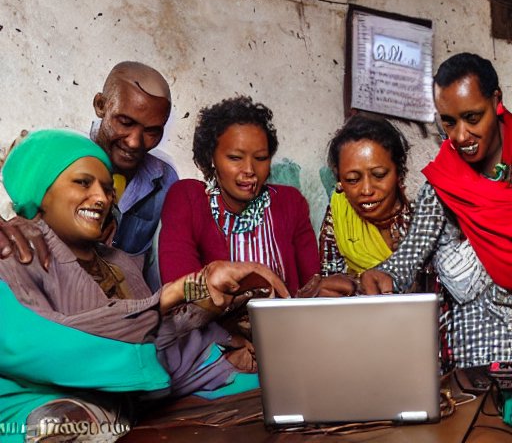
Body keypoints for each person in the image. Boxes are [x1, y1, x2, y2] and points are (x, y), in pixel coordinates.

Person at [0, 129, 288, 442]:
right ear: (39, 190)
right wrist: (178, 293)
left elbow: (162, 318)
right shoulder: (15, 251)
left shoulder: (119, 262)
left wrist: (211, 294)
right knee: (61, 425)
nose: (101, 197)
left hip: (147, 389)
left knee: (278, 389)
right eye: (83, 182)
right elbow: (38, 343)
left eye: (108, 188)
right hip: (53, 397)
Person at [361, 52, 512, 368]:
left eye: (473, 118)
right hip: (480, 353)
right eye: (448, 122)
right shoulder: (443, 182)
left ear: (496, 100)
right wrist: (384, 275)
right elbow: (411, 253)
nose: (460, 136)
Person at [0, 62, 178, 290]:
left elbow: (157, 267)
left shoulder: (165, 180)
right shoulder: (52, 154)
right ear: (101, 105)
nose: (134, 142)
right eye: (125, 122)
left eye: (152, 131)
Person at [158, 96, 355, 297]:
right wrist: (255, 276)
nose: (250, 170)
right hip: (214, 327)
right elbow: (181, 289)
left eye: (261, 158)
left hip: (284, 324)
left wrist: (318, 290)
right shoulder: (187, 198)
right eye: (235, 158)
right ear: (211, 158)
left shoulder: (290, 203)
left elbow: (310, 282)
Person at [319, 114, 413, 279]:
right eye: (352, 180)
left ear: (399, 173)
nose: (367, 190)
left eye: (379, 175)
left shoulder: (420, 218)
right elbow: (330, 278)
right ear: (340, 180)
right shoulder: (340, 215)